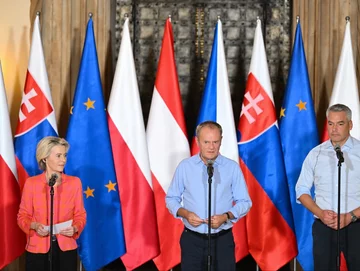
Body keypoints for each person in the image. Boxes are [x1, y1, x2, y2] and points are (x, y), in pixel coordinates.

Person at [166, 121, 252, 271]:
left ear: (221, 141)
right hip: (192, 240)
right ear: (198, 141)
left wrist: (225, 216)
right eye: (206, 142)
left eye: (215, 142)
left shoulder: (232, 168)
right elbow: (171, 199)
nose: (211, 147)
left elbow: (245, 202)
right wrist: (185, 213)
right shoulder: (185, 167)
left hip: (222, 241)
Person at [296, 104, 360, 270]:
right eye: (330, 123)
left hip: (356, 225)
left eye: (340, 124)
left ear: (350, 125)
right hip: (324, 226)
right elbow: (301, 190)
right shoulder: (315, 154)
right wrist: (320, 214)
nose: (334, 129)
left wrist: (351, 216)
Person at [17, 136, 86, 271]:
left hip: (66, 248)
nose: (63, 160)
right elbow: (22, 216)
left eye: (65, 155)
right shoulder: (31, 183)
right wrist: (34, 225)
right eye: (58, 156)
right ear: (45, 158)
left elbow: (81, 214)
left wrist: (75, 228)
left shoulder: (74, 182)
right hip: (38, 248)